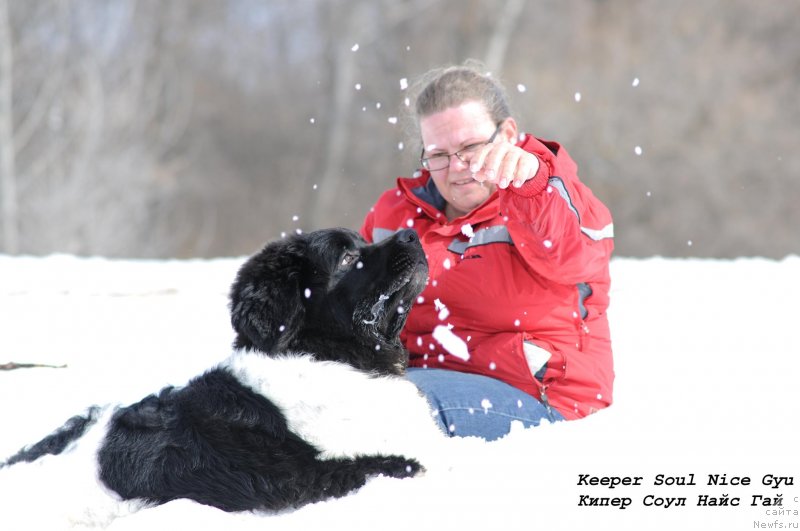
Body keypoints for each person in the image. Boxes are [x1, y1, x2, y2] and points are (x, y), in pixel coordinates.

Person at [359, 61, 614, 441]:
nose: (457, 167)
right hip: (417, 381)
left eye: (470, 147)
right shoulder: (393, 215)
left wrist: (533, 184)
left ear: (507, 134)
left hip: (541, 400)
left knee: (400, 408)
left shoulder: (548, 197)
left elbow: (573, 253)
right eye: (438, 155)